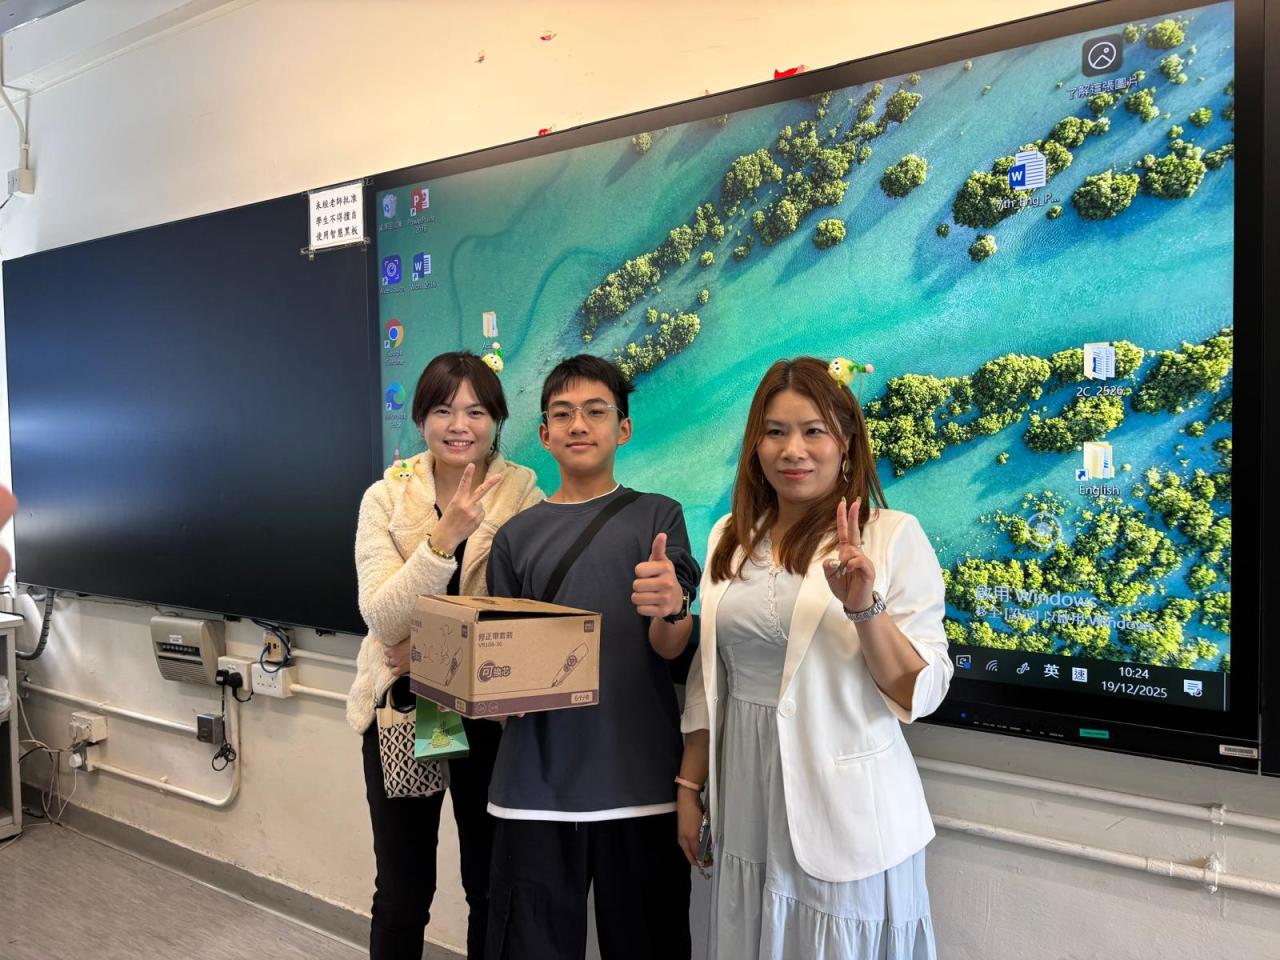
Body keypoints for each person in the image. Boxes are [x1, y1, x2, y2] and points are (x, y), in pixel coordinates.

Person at [676, 356, 952, 959]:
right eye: (775, 431)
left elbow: (921, 693)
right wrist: (690, 785)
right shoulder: (728, 536)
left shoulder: (891, 535)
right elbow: (710, 676)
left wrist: (864, 607)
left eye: (813, 431)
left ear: (846, 442)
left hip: (845, 806)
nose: (793, 450)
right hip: (744, 791)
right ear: (755, 445)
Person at [484, 354, 700, 960]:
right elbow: (503, 661)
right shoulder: (514, 537)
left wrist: (672, 606)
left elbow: (669, 645)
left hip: (640, 783)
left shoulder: (659, 516)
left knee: (649, 946)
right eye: (563, 414)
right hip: (533, 788)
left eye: (596, 411)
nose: (579, 424)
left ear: (622, 429)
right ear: (544, 434)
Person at [348, 351, 544, 960]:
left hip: (487, 715)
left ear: (497, 420)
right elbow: (382, 619)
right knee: (404, 890)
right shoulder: (385, 497)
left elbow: (526, 622)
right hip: (408, 711)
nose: (459, 425)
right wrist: (443, 538)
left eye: (476, 411)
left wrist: (429, 651)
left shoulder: (522, 495)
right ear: (421, 419)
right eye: (442, 410)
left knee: (489, 883)